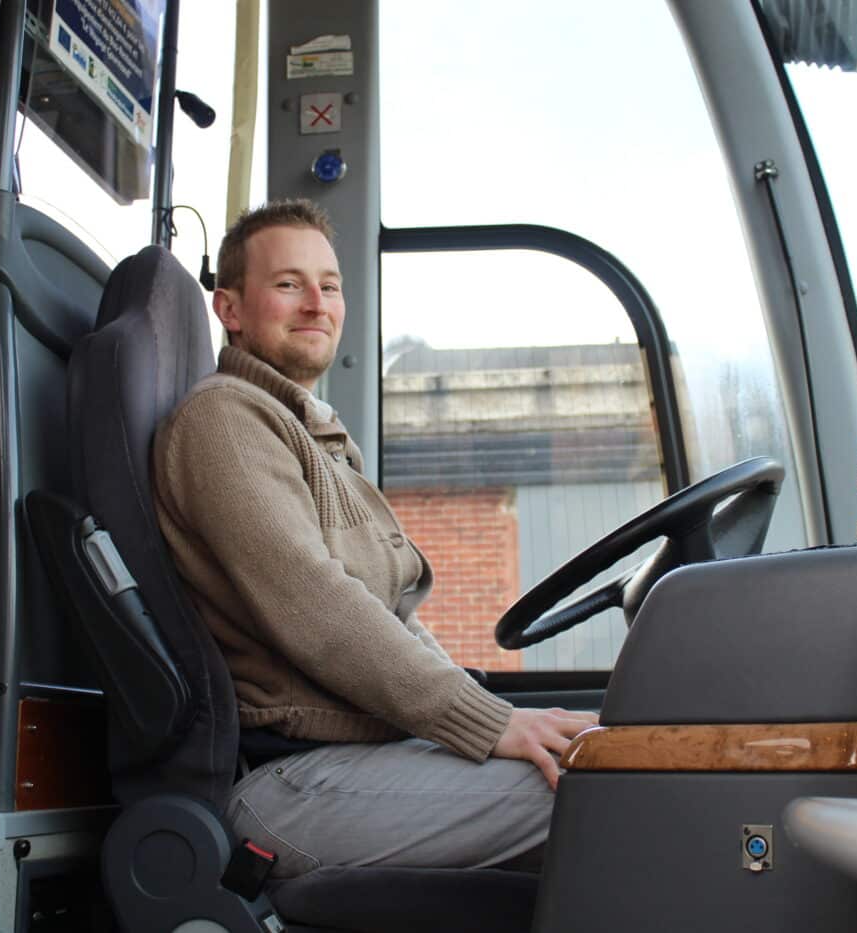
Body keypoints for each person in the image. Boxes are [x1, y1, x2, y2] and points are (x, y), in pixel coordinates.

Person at [152, 198, 597, 878]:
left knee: (617, 754)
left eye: (328, 286)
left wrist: (494, 712)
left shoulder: (313, 437)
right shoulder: (224, 422)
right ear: (231, 310)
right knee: (616, 791)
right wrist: (488, 724)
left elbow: (392, 617)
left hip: (364, 757)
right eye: (287, 284)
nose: (315, 303)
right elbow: (322, 610)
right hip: (288, 777)